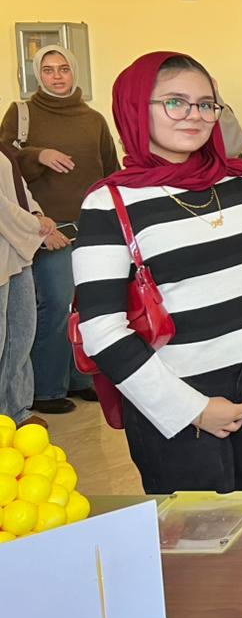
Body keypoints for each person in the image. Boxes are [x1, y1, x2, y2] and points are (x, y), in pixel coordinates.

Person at [72, 52, 242, 494]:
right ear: (135, 108)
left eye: (206, 104)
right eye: (175, 102)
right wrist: (192, 409)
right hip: (176, 395)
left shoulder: (240, 184)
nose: (194, 115)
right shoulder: (109, 202)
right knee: (196, 529)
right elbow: (101, 328)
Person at [0, 45, 120, 414]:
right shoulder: (22, 114)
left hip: (91, 227)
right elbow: (7, 167)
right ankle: (47, 389)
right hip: (45, 230)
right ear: (38, 74)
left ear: (74, 72)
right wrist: (38, 154)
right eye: (48, 69)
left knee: (87, 306)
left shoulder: (93, 119)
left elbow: (110, 171)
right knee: (54, 306)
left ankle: (82, 378)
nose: (57, 76)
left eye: (64, 68)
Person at [0, 141, 55, 428]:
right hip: (9, 243)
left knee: (21, 332)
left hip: (16, 250)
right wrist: (35, 228)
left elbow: (17, 185)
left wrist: (36, 214)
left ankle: (15, 409)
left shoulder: (2, 147)